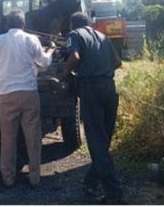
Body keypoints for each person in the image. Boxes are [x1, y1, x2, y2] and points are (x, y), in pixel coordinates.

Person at [61, 12, 124, 204]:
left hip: (91, 90)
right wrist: (101, 72)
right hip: (109, 88)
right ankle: (91, 181)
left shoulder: (75, 35)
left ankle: (114, 193)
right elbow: (117, 62)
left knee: (96, 142)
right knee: (103, 140)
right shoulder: (102, 36)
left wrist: (66, 73)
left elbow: (75, 56)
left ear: (73, 24)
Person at [0, 10, 55, 188]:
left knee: (8, 138)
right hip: (28, 93)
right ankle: (35, 177)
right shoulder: (31, 39)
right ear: (23, 24)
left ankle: (8, 178)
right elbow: (44, 63)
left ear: (7, 24)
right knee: (33, 137)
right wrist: (51, 52)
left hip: (7, 95)